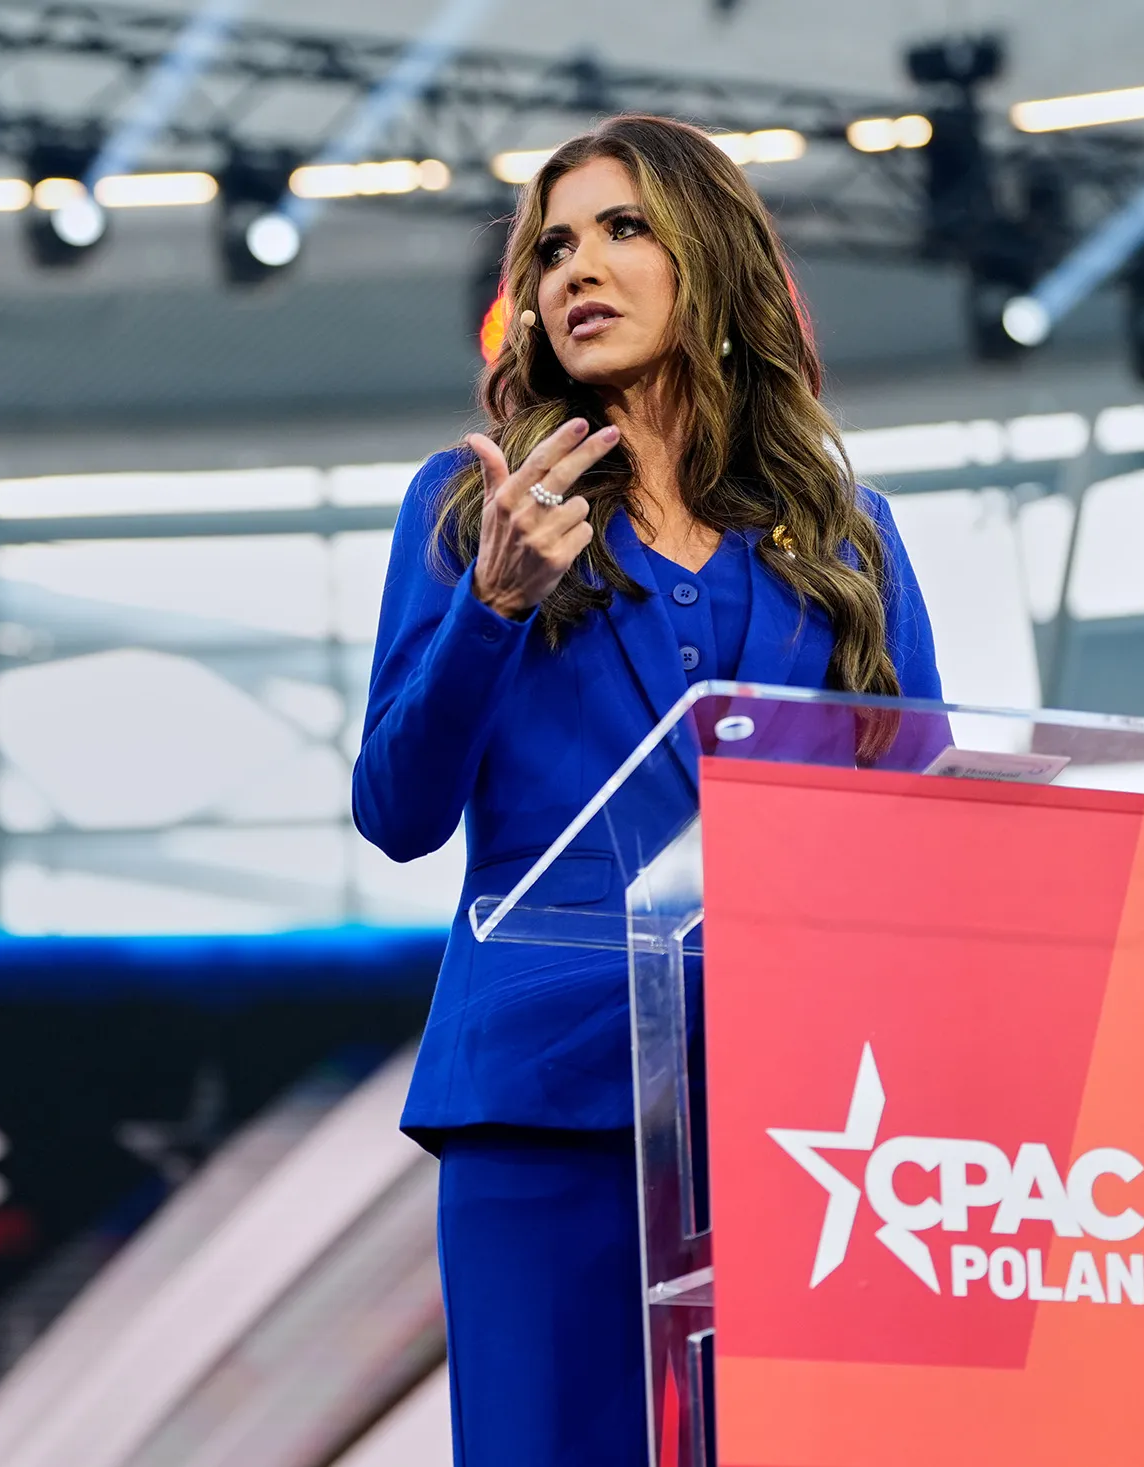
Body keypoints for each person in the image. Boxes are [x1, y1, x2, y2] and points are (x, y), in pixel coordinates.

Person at [351, 113, 945, 1466]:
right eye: (553, 244)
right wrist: (494, 605)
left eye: (624, 229)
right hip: (544, 1103)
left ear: (716, 266)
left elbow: (924, 824)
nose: (577, 268)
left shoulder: (847, 536)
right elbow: (397, 808)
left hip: (807, 1123)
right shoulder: (469, 506)